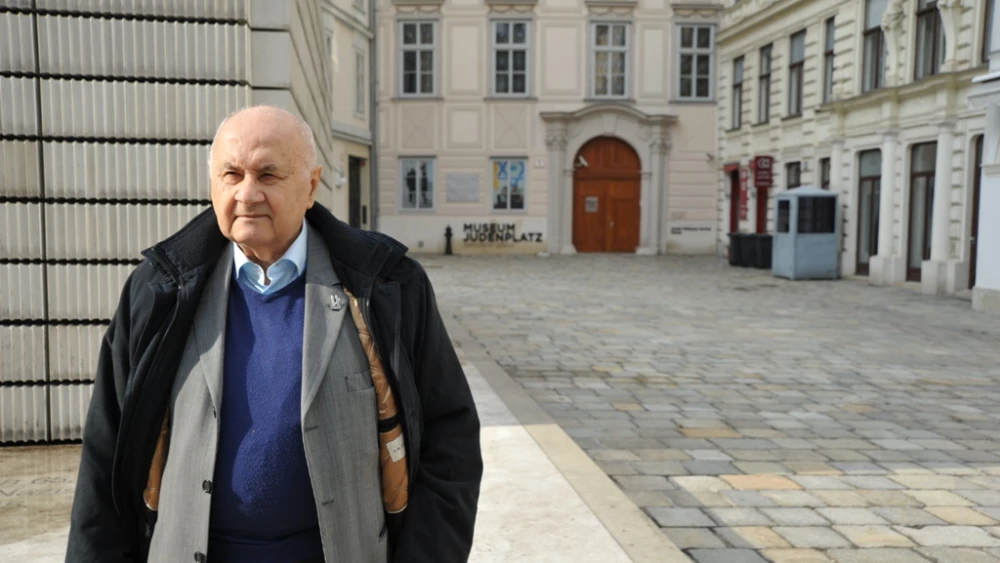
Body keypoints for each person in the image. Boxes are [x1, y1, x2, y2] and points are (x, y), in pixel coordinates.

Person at [65, 105, 483, 563]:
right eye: (231, 174)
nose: (247, 194)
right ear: (213, 184)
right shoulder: (160, 289)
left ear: (310, 185)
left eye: (268, 175)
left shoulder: (384, 285)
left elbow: (451, 441)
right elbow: (106, 455)